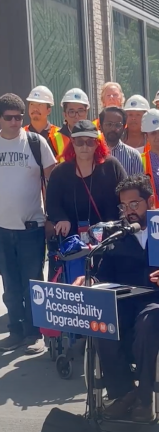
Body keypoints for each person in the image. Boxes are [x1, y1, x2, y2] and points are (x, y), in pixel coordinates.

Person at [74, 174, 159, 422]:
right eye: (123, 206)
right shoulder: (118, 236)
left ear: (150, 201)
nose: (128, 211)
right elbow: (102, 275)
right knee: (100, 321)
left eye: (134, 204)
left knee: (149, 320)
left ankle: (146, 397)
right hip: (128, 303)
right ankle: (125, 392)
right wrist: (90, 281)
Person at [0, 93, 56, 353]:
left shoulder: (36, 143)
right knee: (10, 286)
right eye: (9, 117)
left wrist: (51, 217)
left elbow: (51, 183)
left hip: (31, 229)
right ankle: (16, 330)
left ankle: (34, 333)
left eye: (18, 117)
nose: (14, 122)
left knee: (32, 283)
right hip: (2, 230)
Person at [46, 120, 126, 239]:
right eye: (79, 142)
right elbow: (52, 204)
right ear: (72, 142)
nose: (84, 147)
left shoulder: (111, 166)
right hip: (72, 240)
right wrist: (61, 218)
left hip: (109, 238)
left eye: (90, 142)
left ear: (97, 143)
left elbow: (126, 193)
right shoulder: (59, 172)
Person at [99, 106, 143, 175]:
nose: (113, 128)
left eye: (117, 125)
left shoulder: (133, 156)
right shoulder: (93, 153)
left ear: (123, 127)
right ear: (100, 126)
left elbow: (139, 184)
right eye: (109, 124)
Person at [51, 88, 90, 161]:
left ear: (86, 113)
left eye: (80, 111)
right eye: (72, 112)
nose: (76, 116)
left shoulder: (97, 137)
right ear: (65, 114)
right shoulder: (53, 139)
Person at [24, 85, 59, 157]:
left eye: (40, 105)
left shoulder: (59, 135)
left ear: (48, 110)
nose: (35, 108)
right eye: (32, 104)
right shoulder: (21, 134)